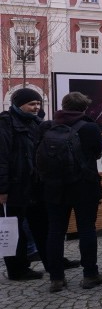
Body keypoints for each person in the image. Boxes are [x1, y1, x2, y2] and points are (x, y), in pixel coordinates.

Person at [39, 92, 102, 291]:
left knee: (55, 231)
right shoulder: (90, 127)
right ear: (84, 108)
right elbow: (96, 153)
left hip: (53, 187)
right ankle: (90, 274)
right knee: (86, 229)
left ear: (63, 105)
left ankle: (56, 278)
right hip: (84, 186)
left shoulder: (46, 126)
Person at [0, 88, 48, 281]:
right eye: (31, 104)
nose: (36, 107)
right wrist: (2, 189)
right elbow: (2, 158)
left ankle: (52, 261)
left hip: (34, 184)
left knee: (42, 225)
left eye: (38, 104)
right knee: (13, 228)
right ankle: (17, 269)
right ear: (19, 105)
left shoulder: (37, 123)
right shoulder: (5, 123)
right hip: (15, 186)